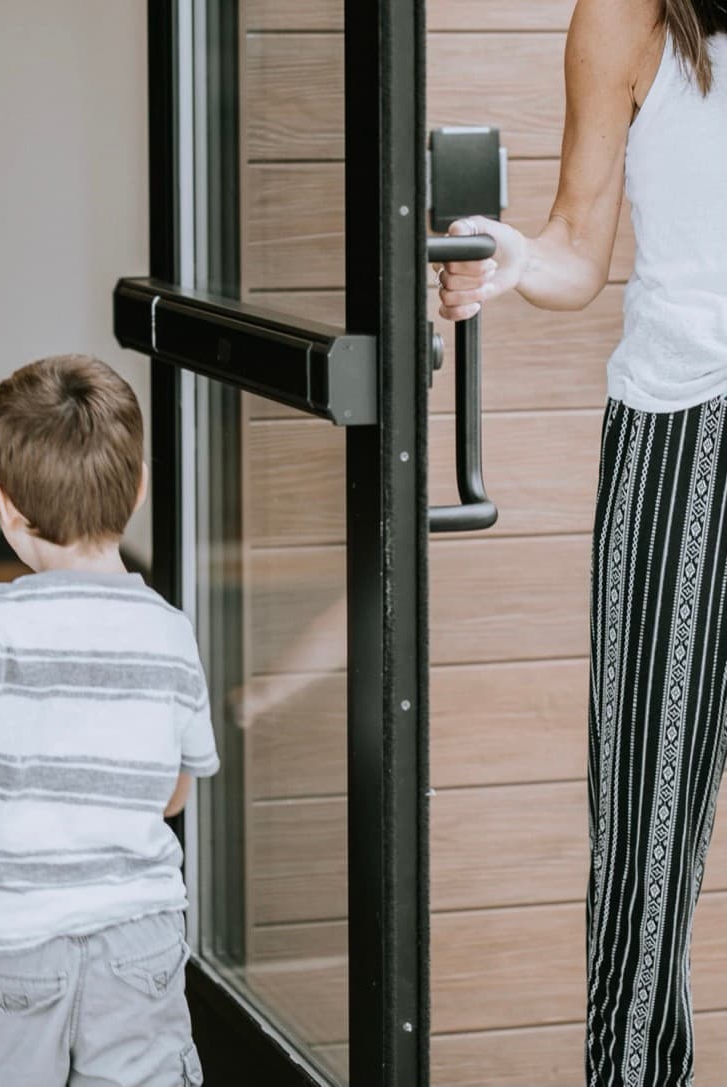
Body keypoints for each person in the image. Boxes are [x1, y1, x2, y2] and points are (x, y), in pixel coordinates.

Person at [435, 2, 727, 1083]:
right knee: (645, 845)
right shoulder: (626, 15)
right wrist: (515, 259)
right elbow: (576, 244)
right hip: (679, 433)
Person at [0, 355, 219, 1086]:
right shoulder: (170, 631)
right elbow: (173, 795)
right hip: (139, 943)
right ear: (140, 487)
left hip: (7, 946)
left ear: (6, 506)